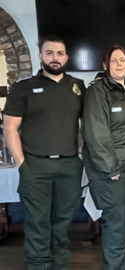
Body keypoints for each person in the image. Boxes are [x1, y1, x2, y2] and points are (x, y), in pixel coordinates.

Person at [3, 36, 85, 270]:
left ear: (66, 57)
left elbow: (87, 123)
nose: (55, 58)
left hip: (69, 166)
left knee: (62, 222)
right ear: (41, 56)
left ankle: (60, 264)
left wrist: (79, 154)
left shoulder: (78, 87)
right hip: (35, 167)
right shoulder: (23, 88)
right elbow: (10, 127)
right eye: (49, 53)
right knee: (38, 223)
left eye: (59, 53)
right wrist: (21, 163)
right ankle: (39, 265)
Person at [82, 45, 125, 270]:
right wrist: (112, 168)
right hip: (112, 172)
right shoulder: (97, 91)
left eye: (123, 60)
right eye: (113, 61)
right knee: (116, 227)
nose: (119, 64)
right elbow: (96, 133)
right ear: (105, 65)